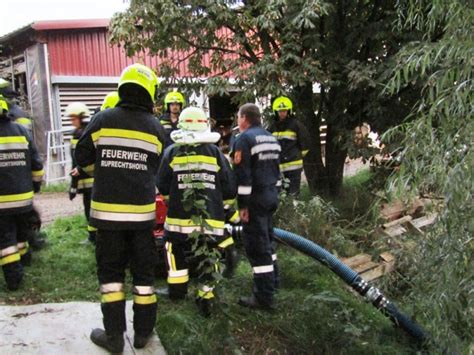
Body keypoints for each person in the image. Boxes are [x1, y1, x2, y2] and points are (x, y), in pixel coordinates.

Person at [75, 63, 165, 352]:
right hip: (142, 221)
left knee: (112, 278)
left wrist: (101, 172)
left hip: (107, 220)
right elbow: (160, 171)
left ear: (122, 87)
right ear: (149, 93)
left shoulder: (103, 119)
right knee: (144, 279)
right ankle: (142, 334)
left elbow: (83, 156)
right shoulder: (156, 128)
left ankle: (114, 338)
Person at [157, 107, 236, 316]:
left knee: (174, 249)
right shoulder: (216, 154)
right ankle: (206, 297)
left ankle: (177, 290)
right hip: (211, 221)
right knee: (211, 254)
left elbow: (162, 184)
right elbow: (229, 187)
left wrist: (172, 198)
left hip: (178, 220)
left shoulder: (172, 152)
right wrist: (225, 208)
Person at [231, 103, 281, 310]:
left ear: (244, 117)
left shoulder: (244, 139)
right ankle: (274, 281)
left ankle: (263, 297)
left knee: (257, 247)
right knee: (268, 240)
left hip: (255, 201)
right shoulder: (271, 137)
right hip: (271, 196)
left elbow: (243, 176)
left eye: (238, 117)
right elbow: (277, 171)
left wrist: (243, 205)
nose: (237, 120)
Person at [0, 95, 43, 290]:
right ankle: (24, 260)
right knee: (20, 232)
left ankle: (14, 277)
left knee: (5, 238)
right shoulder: (21, 131)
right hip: (24, 198)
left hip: (1, 201)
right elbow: (36, 162)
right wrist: (36, 185)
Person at [66, 102, 96, 244]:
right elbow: (74, 160)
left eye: (74, 118)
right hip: (84, 180)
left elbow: (84, 158)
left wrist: (77, 174)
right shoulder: (77, 134)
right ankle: (93, 237)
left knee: (91, 210)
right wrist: (73, 185)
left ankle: (93, 238)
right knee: (88, 208)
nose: (72, 122)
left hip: (90, 180)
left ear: (82, 118)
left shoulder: (84, 134)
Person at [268, 96, 310, 196]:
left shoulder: (296, 125)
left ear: (289, 111)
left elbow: (306, 142)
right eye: (280, 111)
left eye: (284, 110)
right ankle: (285, 211)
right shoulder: (272, 127)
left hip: (294, 166)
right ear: (275, 111)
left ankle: (294, 211)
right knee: (281, 194)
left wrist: (298, 156)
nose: (282, 113)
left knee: (294, 194)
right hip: (279, 167)